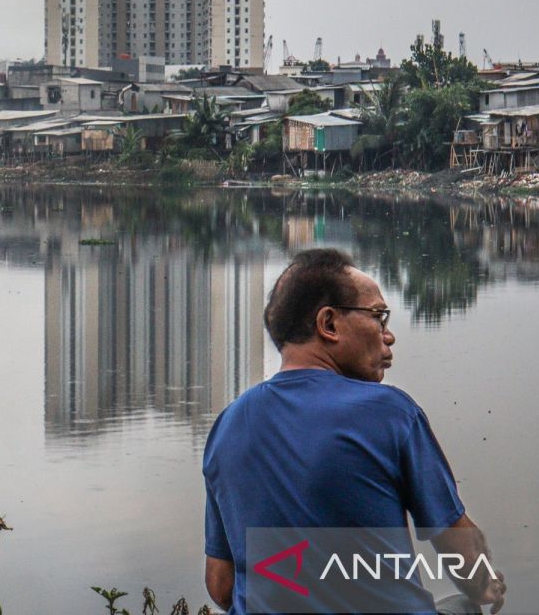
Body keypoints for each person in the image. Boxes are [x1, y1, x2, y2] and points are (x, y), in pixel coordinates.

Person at [202, 248, 506, 615]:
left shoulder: (228, 425)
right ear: (328, 324)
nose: (388, 335)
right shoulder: (389, 413)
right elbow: (462, 553)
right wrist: (486, 585)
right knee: (465, 604)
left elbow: (220, 587)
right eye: (378, 316)